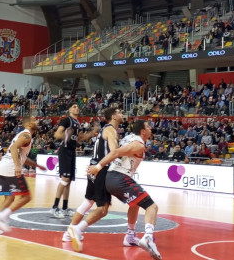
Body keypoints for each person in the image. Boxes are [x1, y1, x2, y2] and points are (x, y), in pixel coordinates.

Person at [87, 119, 162, 259]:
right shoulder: (138, 144)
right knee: (152, 207)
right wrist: (98, 167)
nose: (151, 129)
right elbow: (115, 152)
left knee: (135, 204)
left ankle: (130, 236)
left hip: (112, 178)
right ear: (143, 131)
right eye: (148, 127)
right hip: (119, 178)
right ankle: (148, 238)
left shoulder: (130, 138)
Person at [64, 107, 123, 251]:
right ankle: (77, 229)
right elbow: (115, 152)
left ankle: (67, 233)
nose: (122, 114)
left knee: (88, 201)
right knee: (103, 209)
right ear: (114, 117)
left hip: (93, 166)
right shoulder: (111, 130)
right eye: (119, 112)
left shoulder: (105, 129)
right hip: (101, 169)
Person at [0, 115, 46, 235]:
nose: (37, 121)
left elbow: (23, 157)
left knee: (10, 198)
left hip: (3, 167)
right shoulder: (26, 135)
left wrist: (37, 166)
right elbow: (14, 149)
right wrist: (17, 166)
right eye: (34, 120)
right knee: (26, 197)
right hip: (11, 167)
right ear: (29, 124)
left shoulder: (25, 136)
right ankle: (0, 217)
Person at [50, 104, 95, 218]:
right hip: (65, 150)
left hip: (72, 151)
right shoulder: (67, 120)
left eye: (77, 107)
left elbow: (80, 139)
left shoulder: (78, 123)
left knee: (68, 181)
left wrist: (92, 133)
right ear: (69, 109)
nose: (77, 108)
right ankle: (54, 207)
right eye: (74, 107)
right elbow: (57, 134)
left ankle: (65, 208)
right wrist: (67, 136)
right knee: (65, 178)